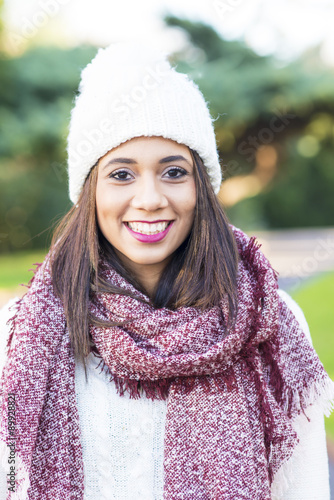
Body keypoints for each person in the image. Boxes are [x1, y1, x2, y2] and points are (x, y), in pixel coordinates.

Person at [0, 41, 333, 500]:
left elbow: (305, 489)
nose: (151, 198)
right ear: (89, 192)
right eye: (121, 175)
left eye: (174, 172)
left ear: (201, 186)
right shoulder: (25, 334)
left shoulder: (268, 320)